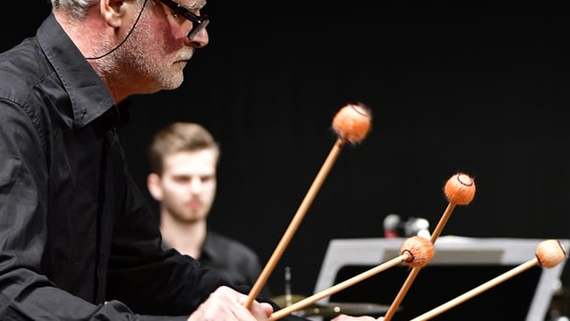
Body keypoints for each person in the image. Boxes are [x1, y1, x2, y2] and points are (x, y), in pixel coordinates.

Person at [0, 0, 372, 320]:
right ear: (114, 5)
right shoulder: (11, 109)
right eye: (187, 13)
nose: (200, 36)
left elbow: (148, 270)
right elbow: (7, 295)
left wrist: (285, 315)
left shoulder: (94, 126)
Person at [147, 122, 264, 292]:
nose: (196, 189)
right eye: (183, 179)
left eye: (205, 178)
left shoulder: (242, 261)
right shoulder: (140, 263)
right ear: (156, 186)